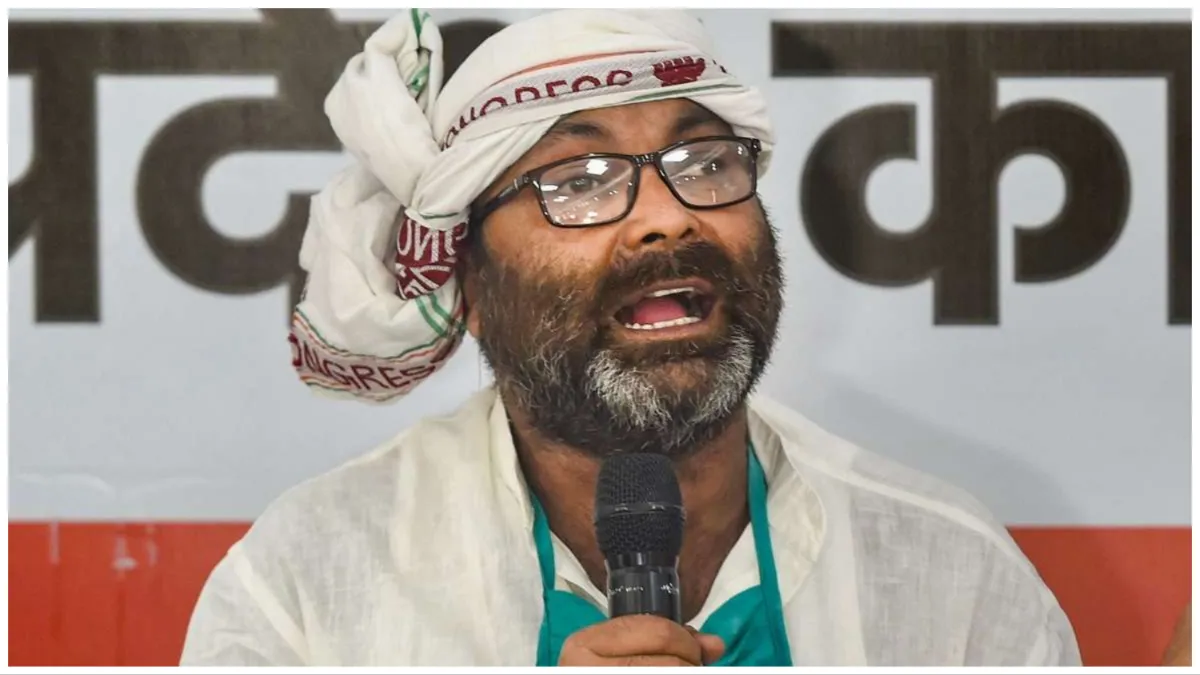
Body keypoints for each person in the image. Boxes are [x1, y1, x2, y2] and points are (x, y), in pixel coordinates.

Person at [180, 9, 1080, 667]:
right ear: (472, 287)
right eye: (580, 180)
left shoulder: (950, 572)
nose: (666, 216)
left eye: (706, 163)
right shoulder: (307, 585)